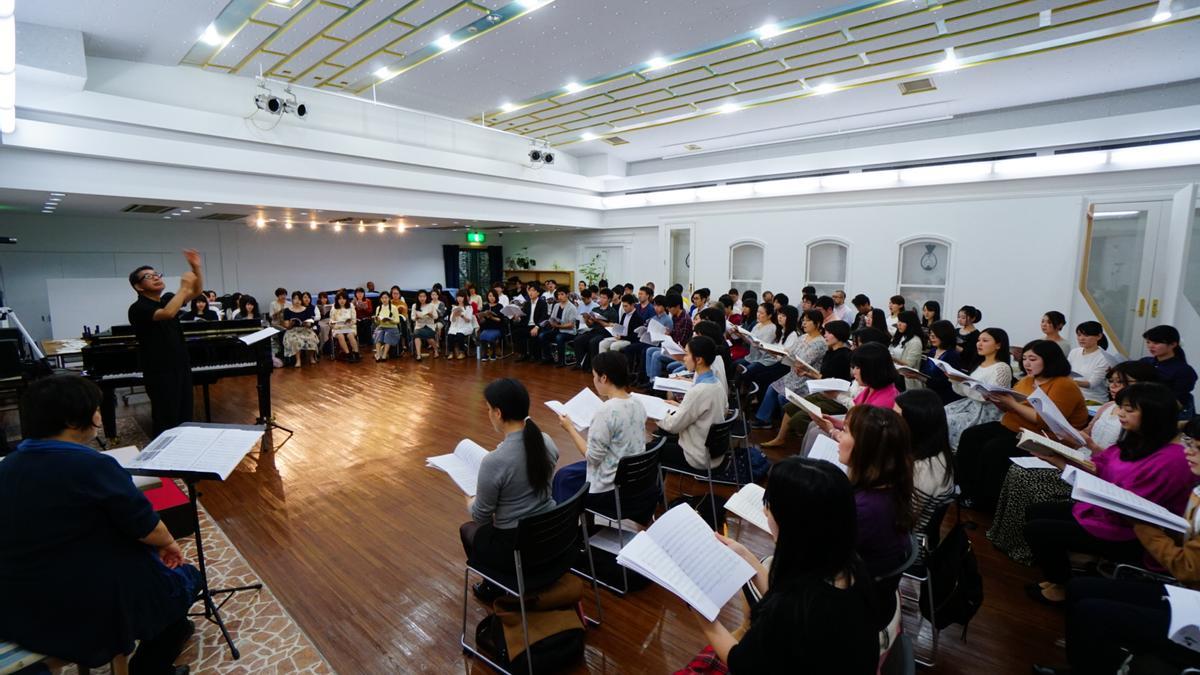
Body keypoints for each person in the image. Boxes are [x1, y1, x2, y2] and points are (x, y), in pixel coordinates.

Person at [0, 375, 200, 675]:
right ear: (72, 419)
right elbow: (146, 527)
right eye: (95, 409)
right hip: (81, 606)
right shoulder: (92, 466)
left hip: (16, 604)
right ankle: (150, 669)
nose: (97, 416)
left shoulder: (7, 466)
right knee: (185, 580)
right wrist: (169, 543)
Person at [1032, 417, 1200, 674]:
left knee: (1093, 611)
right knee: (1078, 588)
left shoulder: (1173, 463)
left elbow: (1186, 568)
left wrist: (1141, 521)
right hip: (1181, 584)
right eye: (1190, 443)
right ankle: (1083, 664)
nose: (1189, 451)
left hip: (1188, 598)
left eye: (1197, 447)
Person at [688, 457, 878, 674]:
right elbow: (783, 595)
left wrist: (701, 612)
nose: (765, 513)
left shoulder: (793, 612)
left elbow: (740, 662)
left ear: (794, 525)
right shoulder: (848, 564)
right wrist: (745, 555)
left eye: (770, 507)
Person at [1022, 383, 1194, 605]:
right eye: (1121, 407)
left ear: (1154, 414)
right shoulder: (1137, 438)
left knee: (1039, 530)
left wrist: (1067, 467)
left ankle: (1061, 585)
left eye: (1129, 410)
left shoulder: (1172, 459)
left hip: (1131, 531)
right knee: (1036, 511)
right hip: (1106, 512)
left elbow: (1131, 505)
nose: (1120, 413)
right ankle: (1060, 577)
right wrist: (1059, 459)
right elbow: (1101, 465)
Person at [987, 361, 1159, 565]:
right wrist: (1066, 434)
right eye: (1111, 381)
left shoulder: (1139, 417)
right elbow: (1086, 433)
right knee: (1017, 470)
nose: (1113, 386)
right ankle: (1008, 538)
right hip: (1082, 457)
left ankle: (1029, 548)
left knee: (1027, 477)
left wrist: (1087, 447)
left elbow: (1116, 461)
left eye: (1121, 382)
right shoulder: (1108, 407)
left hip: (1092, 469)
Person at [956, 340, 1090, 512]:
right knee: (971, 435)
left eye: (1033, 359)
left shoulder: (1064, 384)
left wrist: (1011, 404)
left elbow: (1043, 420)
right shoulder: (1027, 380)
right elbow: (1011, 409)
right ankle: (966, 489)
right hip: (1017, 427)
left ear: (1050, 360)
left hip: (1044, 437)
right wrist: (997, 400)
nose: (1026, 363)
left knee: (994, 449)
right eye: (1025, 358)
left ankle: (987, 502)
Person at [461, 379, 559, 595]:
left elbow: (482, 517)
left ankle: (494, 586)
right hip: (550, 535)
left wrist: (470, 500)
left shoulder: (494, 461)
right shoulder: (546, 441)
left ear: (498, 413)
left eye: (488, 409)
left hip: (517, 547)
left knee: (467, 529)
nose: (488, 414)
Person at [835, 404, 914, 625]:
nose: (840, 436)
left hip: (853, 606)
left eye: (847, 431)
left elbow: (818, 560)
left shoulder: (866, 509)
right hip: (868, 592)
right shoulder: (888, 488)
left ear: (866, 449)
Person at [551, 352, 650, 513]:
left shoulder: (605, 412)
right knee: (567, 474)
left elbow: (592, 458)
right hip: (633, 478)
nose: (593, 380)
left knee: (563, 479)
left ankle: (566, 527)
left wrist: (570, 428)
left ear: (604, 378)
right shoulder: (637, 402)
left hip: (610, 488)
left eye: (595, 376)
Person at [127, 251, 202, 436]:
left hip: (181, 365)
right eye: (148, 277)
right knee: (166, 417)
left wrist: (196, 268)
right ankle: (164, 459)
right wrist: (183, 287)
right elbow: (167, 313)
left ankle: (184, 454)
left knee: (185, 414)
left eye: (156, 274)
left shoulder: (168, 299)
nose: (155, 278)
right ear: (138, 287)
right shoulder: (138, 308)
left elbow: (198, 291)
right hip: (159, 370)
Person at [762, 320, 852, 448]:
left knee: (799, 418)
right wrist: (807, 373)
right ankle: (780, 438)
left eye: (828, 333)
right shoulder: (830, 351)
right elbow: (822, 376)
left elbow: (830, 380)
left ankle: (809, 445)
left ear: (838, 335)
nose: (825, 335)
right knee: (791, 406)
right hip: (823, 392)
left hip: (835, 397)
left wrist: (810, 375)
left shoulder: (844, 356)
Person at [655, 336, 727, 473]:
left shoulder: (699, 391)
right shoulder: (717, 384)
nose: (684, 358)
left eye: (687, 354)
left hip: (697, 456)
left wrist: (655, 414)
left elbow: (673, 426)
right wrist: (679, 406)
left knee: (650, 450)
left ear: (699, 359)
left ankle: (658, 493)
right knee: (661, 442)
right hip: (712, 452)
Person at [752, 308, 826, 429]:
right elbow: (791, 353)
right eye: (803, 320)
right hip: (793, 374)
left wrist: (788, 355)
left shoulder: (820, 343)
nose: (804, 323)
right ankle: (764, 419)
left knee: (783, 396)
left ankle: (789, 426)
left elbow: (804, 361)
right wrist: (778, 351)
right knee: (772, 387)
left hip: (805, 378)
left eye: (807, 321)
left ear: (817, 324)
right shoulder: (803, 337)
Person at [895, 389, 955, 536]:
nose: (891, 422)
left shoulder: (925, 472)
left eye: (897, 418)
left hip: (905, 545)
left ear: (915, 425)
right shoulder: (923, 449)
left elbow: (900, 522)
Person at [944, 327, 1013, 449]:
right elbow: (964, 392)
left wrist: (963, 382)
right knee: (939, 413)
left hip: (986, 411)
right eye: (978, 340)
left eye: (985, 341)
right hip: (969, 404)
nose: (979, 344)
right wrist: (955, 380)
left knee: (949, 421)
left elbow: (988, 397)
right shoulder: (978, 364)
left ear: (998, 345)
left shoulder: (1002, 368)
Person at [1140, 324, 1197, 419]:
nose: (1151, 346)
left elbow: (1178, 403)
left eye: (1156, 343)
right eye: (1148, 342)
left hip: (1167, 415)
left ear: (1173, 344)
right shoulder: (1145, 362)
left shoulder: (1184, 370)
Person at [641, 293, 692, 384]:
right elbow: (675, 335)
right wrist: (669, 334)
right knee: (649, 350)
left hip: (680, 351)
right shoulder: (676, 317)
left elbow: (681, 341)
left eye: (670, 308)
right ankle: (649, 379)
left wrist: (669, 338)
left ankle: (655, 383)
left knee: (656, 355)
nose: (668, 310)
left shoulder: (685, 320)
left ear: (677, 306)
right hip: (672, 347)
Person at [916, 320, 962, 405]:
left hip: (944, 398)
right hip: (930, 393)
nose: (931, 337)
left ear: (944, 335)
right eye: (930, 335)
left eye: (935, 335)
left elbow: (945, 382)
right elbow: (925, 371)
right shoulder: (933, 351)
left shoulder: (952, 355)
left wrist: (920, 377)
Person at [572, 288, 619, 370]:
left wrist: (599, 320)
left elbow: (611, 326)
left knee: (593, 342)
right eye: (600, 297)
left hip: (604, 333)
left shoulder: (612, 312)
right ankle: (579, 363)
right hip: (593, 331)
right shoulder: (595, 309)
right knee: (578, 340)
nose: (601, 299)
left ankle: (593, 366)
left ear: (609, 299)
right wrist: (586, 319)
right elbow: (590, 325)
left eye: (604, 297)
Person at [1068, 321, 1112, 402]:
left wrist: (1068, 381)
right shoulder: (1074, 352)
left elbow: (1092, 384)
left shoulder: (1104, 357)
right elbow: (1067, 372)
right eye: (1079, 335)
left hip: (1094, 401)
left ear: (1099, 336)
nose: (1081, 338)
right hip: (1073, 396)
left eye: (1086, 335)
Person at [539, 288, 580, 366]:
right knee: (542, 335)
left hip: (569, 332)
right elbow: (552, 318)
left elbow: (571, 325)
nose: (559, 296)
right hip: (557, 329)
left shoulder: (572, 307)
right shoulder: (556, 305)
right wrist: (550, 322)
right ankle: (548, 357)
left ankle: (561, 361)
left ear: (567, 295)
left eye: (562, 294)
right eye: (558, 294)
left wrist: (558, 325)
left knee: (559, 337)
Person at [889, 310, 927, 388]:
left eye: (902, 322)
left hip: (907, 380)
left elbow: (909, 365)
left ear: (910, 324)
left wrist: (892, 359)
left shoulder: (915, 341)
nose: (899, 324)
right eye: (899, 321)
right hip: (894, 375)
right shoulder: (899, 337)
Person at [513, 284, 549, 362]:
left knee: (533, 333)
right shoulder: (527, 303)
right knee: (517, 332)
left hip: (537, 325)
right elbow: (524, 316)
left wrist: (537, 327)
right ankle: (523, 354)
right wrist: (518, 318)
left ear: (538, 293)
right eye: (529, 290)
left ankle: (535, 355)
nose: (530, 293)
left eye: (533, 290)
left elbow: (544, 317)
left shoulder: (542, 303)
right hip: (527, 324)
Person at [283, 291, 319, 368]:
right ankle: (298, 360)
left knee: (312, 337)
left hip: (304, 329)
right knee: (296, 340)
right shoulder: (287, 310)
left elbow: (310, 323)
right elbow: (286, 326)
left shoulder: (306, 309)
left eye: (299, 299)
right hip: (292, 330)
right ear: (292, 300)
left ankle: (311, 357)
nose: (297, 301)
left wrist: (306, 324)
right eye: (295, 299)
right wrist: (291, 324)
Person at [330, 292, 361, 362]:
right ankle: (348, 354)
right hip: (338, 328)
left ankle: (356, 353)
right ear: (337, 300)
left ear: (347, 299)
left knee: (350, 335)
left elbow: (354, 320)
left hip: (349, 327)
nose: (342, 300)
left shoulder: (351, 306)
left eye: (344, 298)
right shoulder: (334, 307)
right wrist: (332, 324)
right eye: (340, 299)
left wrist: (350, 322)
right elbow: (331, 320)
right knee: (340, 336)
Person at [372, 292, 402, 362]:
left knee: (388, 335)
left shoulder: (393, 308)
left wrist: (390, 320)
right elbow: (377, 323)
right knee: (378, 334)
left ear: (389, 298)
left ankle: (384, 355)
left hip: (392, 327)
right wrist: (377, 320)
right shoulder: (378, 308)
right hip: (381, 326)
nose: (384, 299)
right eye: (382, 298)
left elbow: (397, 321)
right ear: (380, 299)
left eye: (386, 298)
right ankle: (378, 355)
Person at [477, 290, 506, 361]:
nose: (491, 298)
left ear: (496, 297)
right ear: (487, 297)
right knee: (482, 335)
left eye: (493, 296)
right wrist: (482, 316)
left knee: (491, 336)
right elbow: (482, 321)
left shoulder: (500, 306)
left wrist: (491, 317)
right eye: (490, 296)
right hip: (486, 328)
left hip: (497, 328)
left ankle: (493, 353)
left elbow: (500, 320)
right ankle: (485, 354)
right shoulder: (485, 306)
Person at [410, 289, 439, 361]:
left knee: (428, 338)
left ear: (426, 297)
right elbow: (412, 318)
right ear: (418, 297)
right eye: (420, 296)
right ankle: (419, 355)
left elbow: (436, 317)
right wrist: (416, 317)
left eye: (424, 296)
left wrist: (430, 315)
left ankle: (436, 350)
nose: (422, 298)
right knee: (417, 334)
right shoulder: (415, 305)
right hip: (419, 326)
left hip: (430, 326)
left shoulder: (431, 305)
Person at [447, 289, 474, 360]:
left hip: (465, 326)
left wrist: (462, 315)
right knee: (450, 335)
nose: (459, 299)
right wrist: (454, 315)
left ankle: (462, 352)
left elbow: (468, 320)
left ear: (464, 297)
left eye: (461, 297)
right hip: (455, 326)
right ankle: (451, 352)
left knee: (459, 334)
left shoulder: (469, 307)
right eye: (458, 297)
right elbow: (451, 320)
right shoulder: (454, 307)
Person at [956, 305, 982, 370]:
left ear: (973, 318)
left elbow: (972, 354)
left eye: (963, 318)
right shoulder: (956, 330)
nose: (959, 319)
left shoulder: (976, 335)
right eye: (958, 317)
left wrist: (956, 347)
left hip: (964, 366)